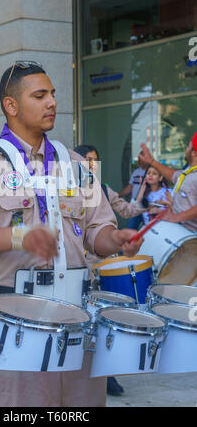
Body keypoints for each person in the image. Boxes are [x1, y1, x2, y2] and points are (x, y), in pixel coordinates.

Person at [0, 61, 143, 408]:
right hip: (17, 314)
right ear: (11, 105)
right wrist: (19, 238)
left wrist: (116, 240)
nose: (51, 102)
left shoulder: (77, 164)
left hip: (78, 311)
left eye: (53, 94)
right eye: (40, 95)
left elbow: (97, 231)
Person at [74, 144, 146, 397]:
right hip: (87, 266)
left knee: (108, 318)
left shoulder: (103, 189)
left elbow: (126, 210)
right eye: (86, 160)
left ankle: (108, 372)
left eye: (94, 160)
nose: (91, 165)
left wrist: (147, 203)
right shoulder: (71, 190)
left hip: (109, 264)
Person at [139, 133, 197, 233]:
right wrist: (152, 161)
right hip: (180, 231)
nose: (186, 149)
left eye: (188, 146)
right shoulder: (189, 171)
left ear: (194, 153)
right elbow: (172, 175)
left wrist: (176, 217)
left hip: (191, 236)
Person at [119, 157, 147, 229]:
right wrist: (117, 195)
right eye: (139, 159)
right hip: (135, 205)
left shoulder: (151, 172)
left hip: (147, 206)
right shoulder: (136, 172)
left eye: (142, 159)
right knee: (130, 228)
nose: (139, 162)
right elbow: (130, 187)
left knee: (148, 230)